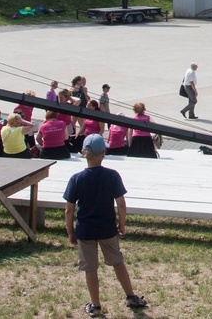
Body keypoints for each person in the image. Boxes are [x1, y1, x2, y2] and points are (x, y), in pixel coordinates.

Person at [63, 134, 148, 317]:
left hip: (85, 230)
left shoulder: (76, 179)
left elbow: (69, 210)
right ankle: (131, 296)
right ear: (104, 153)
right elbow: (121, 203)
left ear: (83, 153)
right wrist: (122, 224)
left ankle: (95, 306)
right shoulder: (112, 175)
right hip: (107, 228)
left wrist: (70, 231)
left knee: (90, 268)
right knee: (117, 262)